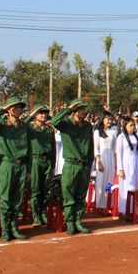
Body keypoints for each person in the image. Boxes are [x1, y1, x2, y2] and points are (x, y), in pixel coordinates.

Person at [0, 97, 32, 241]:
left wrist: (29, 169)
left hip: (22, 165)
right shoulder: (2, 125)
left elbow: (29, 150)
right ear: (9, 110)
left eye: (20, 108)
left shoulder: (25, 127)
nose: (19, 110)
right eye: (16, 107)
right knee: (5, 198)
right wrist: (2, 110)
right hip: (7, 164)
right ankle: (5, 229)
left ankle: (14, 227)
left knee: (17, 198)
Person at [50, 99, 94, 235]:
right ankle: (70, 223)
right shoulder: (66, 124)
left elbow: (90, 146)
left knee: (81, 196)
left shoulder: (87, 126)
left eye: (84, 109)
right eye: (80, 109)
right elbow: (53, 122)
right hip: (71, 165)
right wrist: (68, 109)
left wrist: (90, 165)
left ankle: (78, 221)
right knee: (68, 195)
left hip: (84, 166)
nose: (83, 111)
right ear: (74, 111)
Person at [25, 104, 55, 227]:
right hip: (35, 160)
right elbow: (24, 123)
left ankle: (43, 212)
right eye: (40, 113)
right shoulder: (30, 128)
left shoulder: (49, 129)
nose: (43, 115)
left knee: (46, 189)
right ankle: (35, 215)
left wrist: (53, 165)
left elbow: (53, 149)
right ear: (35, 115)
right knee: (35, 190)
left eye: (45, 113)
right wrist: (31, 115)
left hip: (47, 161)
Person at [116, 117, 138, 218]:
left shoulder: (136, 136)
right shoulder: (121, 137)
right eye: (130, 125)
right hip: (126, 162)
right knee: (126, 185)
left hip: (135, 161)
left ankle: (133, 208)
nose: (132, 127)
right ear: (124, 126)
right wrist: (120, 169)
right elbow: (119, 153)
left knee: (134, 185)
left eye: (133, 125)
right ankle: (124, 209)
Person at [93, 111, 117, 211]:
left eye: (111, 119)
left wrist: (116, 162)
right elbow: (96, 148)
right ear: (102, 119)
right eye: (107, 118)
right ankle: (101, 204)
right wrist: (99, 162)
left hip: (111, 158)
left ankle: (109, 203)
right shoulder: (97, 132)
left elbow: (115, 148)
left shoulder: (113, 132)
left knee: (110, 182)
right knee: (102, 181)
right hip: (102, 159)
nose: (109, 121)